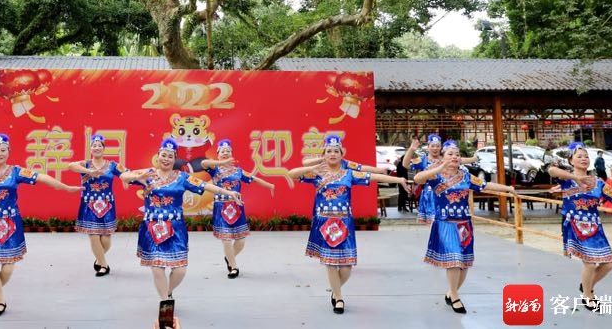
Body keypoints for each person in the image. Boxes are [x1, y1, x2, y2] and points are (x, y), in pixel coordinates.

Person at [287, 134, 411, 314]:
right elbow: (291, 174)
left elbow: (372, 176)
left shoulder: (349, 174)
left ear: (341, 154)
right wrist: (316, 165)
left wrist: (399, 180)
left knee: (346, 267)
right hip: (325, 223)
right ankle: (338, 297)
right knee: (330, 263)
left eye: (335, 151)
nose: (332, 154)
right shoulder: (317, 173)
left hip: (344, 223)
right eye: (328, 151)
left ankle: (335, 289)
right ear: (324, 154)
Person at [0, 133, 82, 316]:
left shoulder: (16, 172)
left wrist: (65, 188)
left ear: (9, 151)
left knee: (7, 267)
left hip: (10, 224)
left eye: (3, 150)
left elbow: (43, 177)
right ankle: (0, 300)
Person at [120, 138, 241, 303]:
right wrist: (139, 175)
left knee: (180, 270)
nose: (166, 159)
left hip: (176, 228)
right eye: (163, 155)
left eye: (170, 156)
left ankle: (168, 291)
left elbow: (205, 186)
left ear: (174, 159)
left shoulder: (182, 177)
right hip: (152, 227)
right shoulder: (148, 174)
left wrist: (229, 193)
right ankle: (165, 302)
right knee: (157, 267)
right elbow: (124, 176)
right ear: (158, 156)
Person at [414, 140, 515, 314]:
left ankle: (451, 292)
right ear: (443, 157)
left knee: (464, 263)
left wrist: (508, 188)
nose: (454, 157)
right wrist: (440, 166)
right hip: (445, 223)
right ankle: (454, 295)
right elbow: (417, 178)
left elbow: (485, 185)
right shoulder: (434, 176)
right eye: (450, 154)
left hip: (464, 224)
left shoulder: (466, 176)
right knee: (454, 261)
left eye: (457, 154)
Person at [547, 142, 612, 311]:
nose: (584, 159)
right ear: (571, 161)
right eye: (579, 156)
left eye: (586, 156)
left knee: (608, 265)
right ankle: (588, 296)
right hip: (574, 224)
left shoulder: (598, 183)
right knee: (590, 264)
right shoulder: (566, 179)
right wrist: (576, 178)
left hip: (595, 227)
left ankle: (585, 287)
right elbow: (551, 170)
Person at [203, 138, 275, 278]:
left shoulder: (238, 171)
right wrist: (221, 163)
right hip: (221, 207)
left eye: (228, 151)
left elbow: (253, 178)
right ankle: (234, 267)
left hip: (237, 207)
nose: (225, 153)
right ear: (218, 153)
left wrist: (270, 186)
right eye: (222, 151)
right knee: (226, 239)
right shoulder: (214, 169)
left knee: (241, 241)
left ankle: (230, 258)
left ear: (232, 154)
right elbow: (203, 163)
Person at [70, 134, 122, 276]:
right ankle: (104, 265)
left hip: (107, 205)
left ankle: (99, 259)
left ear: (104, 149)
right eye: (94, 145)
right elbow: (71, 166)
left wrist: (139, 178)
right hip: (89, 205)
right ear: (91, 149)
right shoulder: (85, 164)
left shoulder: (112, 165)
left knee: (106, 239)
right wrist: (89, 172)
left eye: (100, 145)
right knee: (93, 236)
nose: (97, 147)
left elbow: (127, 173)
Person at [403, 135, 479, 223]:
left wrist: (474, 158)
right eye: (432, 146)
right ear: (428, 147)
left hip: (445, 194)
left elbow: (461, 160)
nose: (435, 148)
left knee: (445, 221)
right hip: (430, 195)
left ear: (441, 148)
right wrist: (411, 149)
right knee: (434, 224)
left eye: (438, 146)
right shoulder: (423, 160)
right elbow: (406, 164)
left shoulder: (446, 159)